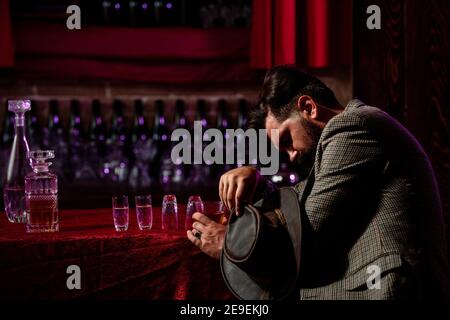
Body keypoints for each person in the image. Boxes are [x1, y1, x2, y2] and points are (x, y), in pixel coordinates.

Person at [186, 65, 450, 300]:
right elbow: (304, 200)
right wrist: (257, 182)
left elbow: (303, 236)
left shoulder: (352, 126)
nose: (290, 155)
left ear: (308, 107)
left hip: (387, 289)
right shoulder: (353, 129)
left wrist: (229, 245)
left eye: (287, 141)